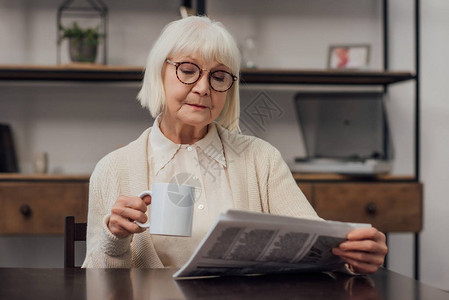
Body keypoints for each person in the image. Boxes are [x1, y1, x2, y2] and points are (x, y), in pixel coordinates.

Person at [82, 16, 387, 274]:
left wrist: (354, 254)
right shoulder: (113, 169)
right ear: (158, 74)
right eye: (188, 70)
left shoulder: (261, 158)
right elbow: (94, 282)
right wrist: (115, 237)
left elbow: (315, 241)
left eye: (219, 76)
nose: (203, 88)